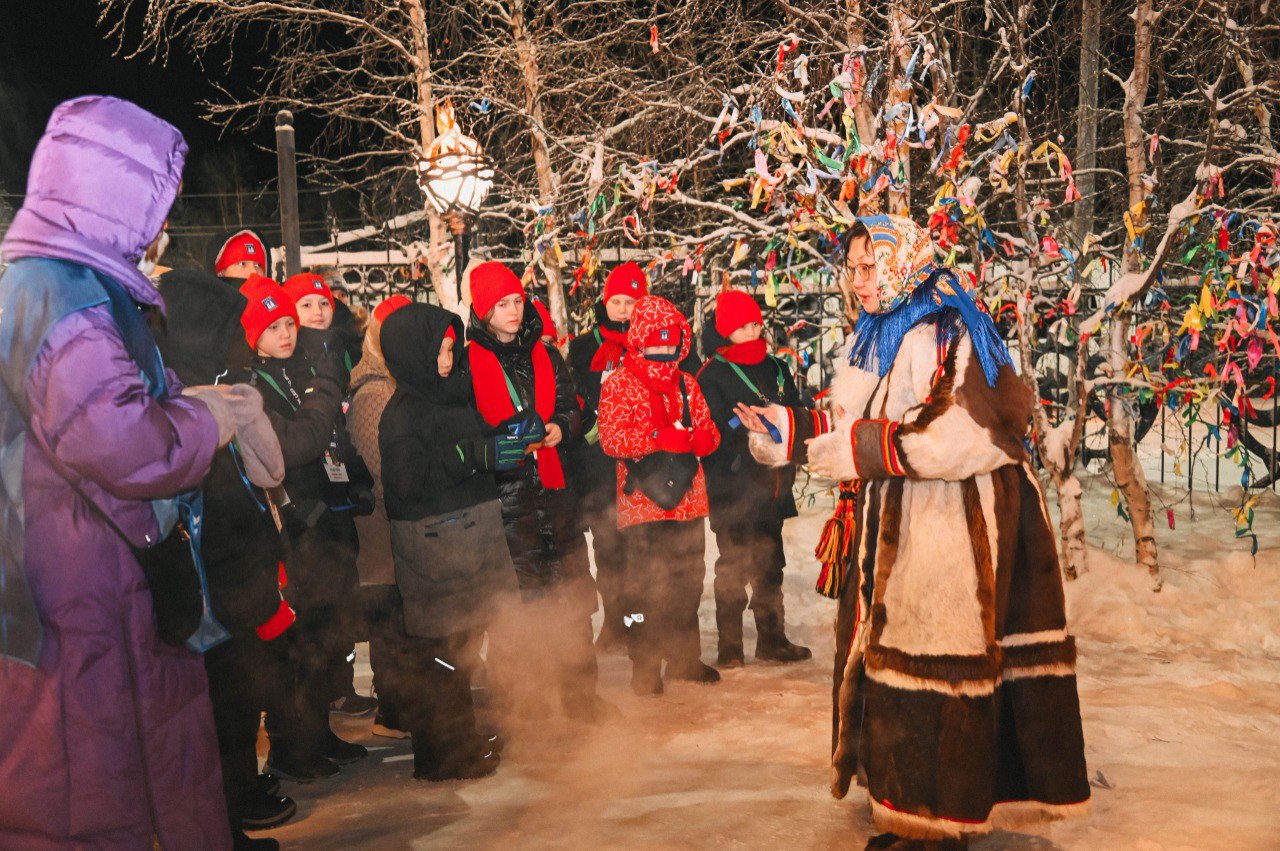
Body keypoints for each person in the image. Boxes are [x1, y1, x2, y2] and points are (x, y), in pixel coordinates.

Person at [743, 215, 1090, 849]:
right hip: (898, 523)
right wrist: (789, 432)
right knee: (890, 664)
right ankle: (901, 800)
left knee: (939, 669)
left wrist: (856, 451)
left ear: (903, 261)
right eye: (852, 268)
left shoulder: (950, 326)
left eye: (870, 266)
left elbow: (966, 432)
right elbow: (852, 416)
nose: (858, 280)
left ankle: (938, 818)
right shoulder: (879, 331)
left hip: (952, 528)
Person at [0, 95, 246, 850]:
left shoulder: (55, 285)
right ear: (114, 197)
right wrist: (210, 417)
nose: (160, 226)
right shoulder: (62, 295)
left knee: (120, 775)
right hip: (85, 592)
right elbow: (121, 444)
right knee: (96, 788)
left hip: (86, 577)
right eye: (154, 205)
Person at [152, 257, 300, 846]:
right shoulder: (184, 400)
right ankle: (225, 819)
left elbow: (268, 472)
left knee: (241, 699)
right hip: (212, 580)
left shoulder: (220, 385)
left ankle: (238, 801)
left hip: (237, 571)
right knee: (221, 706)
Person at [379, 301, 530, 780]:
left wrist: (502, 439)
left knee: (461, 650)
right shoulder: (401, 413)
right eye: (440, 352)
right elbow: (405, 481)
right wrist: (469, 454)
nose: (447, 362)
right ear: (413, 353)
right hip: (436, 549)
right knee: (442, 656)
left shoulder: (451, 395)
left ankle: (459, 739)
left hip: (469, 538)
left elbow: (471, 446)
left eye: (450, 351)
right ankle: (444, 755)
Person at [460, 261, 615, 722]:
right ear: (482, 310)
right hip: (506, 501)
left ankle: (580, 696)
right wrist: (498, 447)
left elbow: (574, 411)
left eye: (516, 301)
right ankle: (520, 705)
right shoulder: (468, 363)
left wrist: (556, 429)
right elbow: (467, 430)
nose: (513, 311)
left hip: (556, 495)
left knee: (572, 598)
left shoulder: (546, 355)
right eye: (501, 304)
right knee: (515, 608)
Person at [239, 278, 372, 783]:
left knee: (326, 637)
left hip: (323, 525)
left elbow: (330, 441)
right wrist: (322, 393)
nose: (287, 333)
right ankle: (291, 748)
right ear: (254, 335)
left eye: (289, 323)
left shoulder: (298, 370)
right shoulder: (253, 385)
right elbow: (295, 444)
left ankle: (317, 734)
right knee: (299, 646)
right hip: (293, 534)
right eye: (273, 326)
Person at [597, 295, 721, 695]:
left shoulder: (688, 383)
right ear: (639, 339)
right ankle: (644, 664)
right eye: (657, 340)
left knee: (687, 583)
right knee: (642, 590)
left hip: (688, 503)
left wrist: (705, 439)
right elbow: (611, 440)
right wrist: (657, 439)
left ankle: (684, 658)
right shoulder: (619, 382)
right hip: (643, 507)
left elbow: (711, 431)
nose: (665, 351)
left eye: (672, 341)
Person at [697, 289, 811, 668]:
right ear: (726, 330)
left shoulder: (777, 367)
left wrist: (784, 419)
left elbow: (797, 409)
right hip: (731, 487)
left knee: (770, 564)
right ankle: (730, 647)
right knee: (732, 566)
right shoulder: (711, 372)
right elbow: (706, 430)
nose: (753, 329)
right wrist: (738, 423)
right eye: (743, 326)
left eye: (756, 323)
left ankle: (772, 639)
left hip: (772, 484)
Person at [281, 270, 375, 717]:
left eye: (323, 303)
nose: (318, 312)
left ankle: (341, 687)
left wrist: (356, 481)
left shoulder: (343, 350)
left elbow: (342, 425)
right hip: (308, 511)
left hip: (338, 502)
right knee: (314, 613)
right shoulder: (289, 360)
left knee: (342, 606)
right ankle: (311, 712)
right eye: (305, 305)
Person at [565, 262, 647, 650]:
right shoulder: (584, 347)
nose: (623, 309)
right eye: (616, 300)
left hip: (641, 466)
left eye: (632, 302)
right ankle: (616, 622)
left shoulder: (653, 342)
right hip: (598, 466)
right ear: (605, 301)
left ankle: (638, 625)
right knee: (608, 550)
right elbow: (570, 399)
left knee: (641, 554)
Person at [347, 294, 413, 738]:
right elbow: (381, 472)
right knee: (391, 624)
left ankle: (404, 705)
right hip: (383, 535)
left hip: (398, 530)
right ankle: (393, 712)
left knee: (402, 622)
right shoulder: (376, 392)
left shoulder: (398, 385)